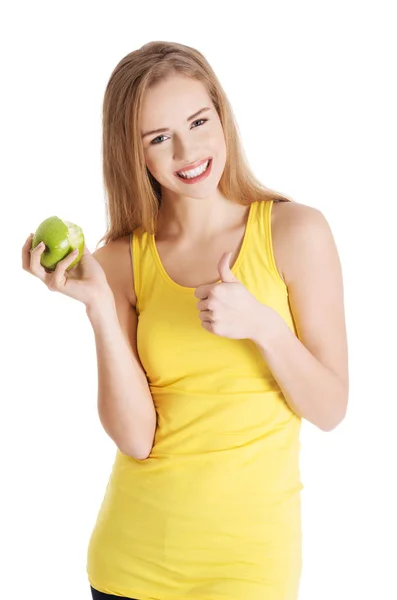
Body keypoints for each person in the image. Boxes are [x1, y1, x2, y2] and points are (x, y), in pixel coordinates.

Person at [21, 41, 349, 600]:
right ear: (135, 154)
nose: (187, 149)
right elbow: (137, 438)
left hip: (251, 571)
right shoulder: (120, 261)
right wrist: (100, 309)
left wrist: (263, 325)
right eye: (158, 137)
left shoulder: (297, 234)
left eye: (198, 121)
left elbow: (330, 410)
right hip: (133, 565)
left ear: (221, 114)